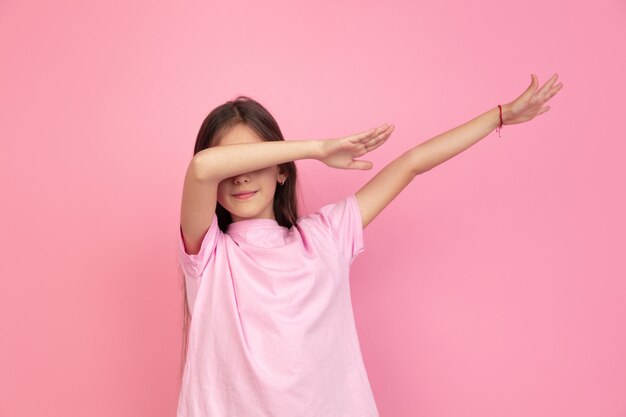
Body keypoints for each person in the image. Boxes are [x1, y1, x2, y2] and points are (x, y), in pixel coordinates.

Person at [176, 73, 563, 417]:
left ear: (281, 171)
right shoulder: (207, 254)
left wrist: (498, 116)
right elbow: (201, 168)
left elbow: (412, 163)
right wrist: (316, 149)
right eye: (232, 166)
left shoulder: (325, 236)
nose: (241, 179)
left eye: (255, 163)